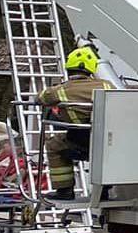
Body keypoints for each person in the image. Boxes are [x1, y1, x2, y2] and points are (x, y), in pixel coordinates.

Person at [42, 45, 112, 198]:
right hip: (109, 143)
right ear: (91, 69)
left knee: (53, 145)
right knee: (107, 152)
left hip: (80, 142)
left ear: (69, 69)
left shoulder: (61, 90)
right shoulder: (107, 85)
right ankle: (104, 191)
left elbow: (40, 98)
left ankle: (64, 190)